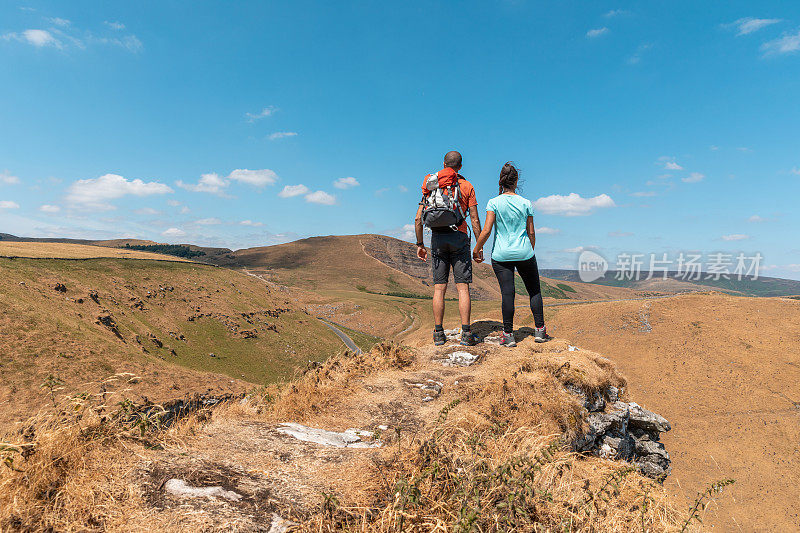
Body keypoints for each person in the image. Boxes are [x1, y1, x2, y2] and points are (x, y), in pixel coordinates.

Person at [473, 162, 551, 346]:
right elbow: (531, 232)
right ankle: (540, 331)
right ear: (516, 181)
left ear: (501, 181)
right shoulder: (525, 203)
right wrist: (529, 248)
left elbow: (486, 231)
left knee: (508, 294)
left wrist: (476, 249)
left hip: (501, 255)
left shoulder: (494, 202)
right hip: (524, 252)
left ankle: (508, 335)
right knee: (534, 291)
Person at [414, 151, 482, 346]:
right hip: (459, 237)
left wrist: (420, 244)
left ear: (444, 164)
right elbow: (475, 219)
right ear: (460, 167)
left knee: (439, 288)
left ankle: (438, 334)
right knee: (462, 288)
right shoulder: (467, 186)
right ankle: (467, 334)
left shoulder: (432, 185)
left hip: (437, 239)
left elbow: (419, 218)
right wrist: (478, 246)